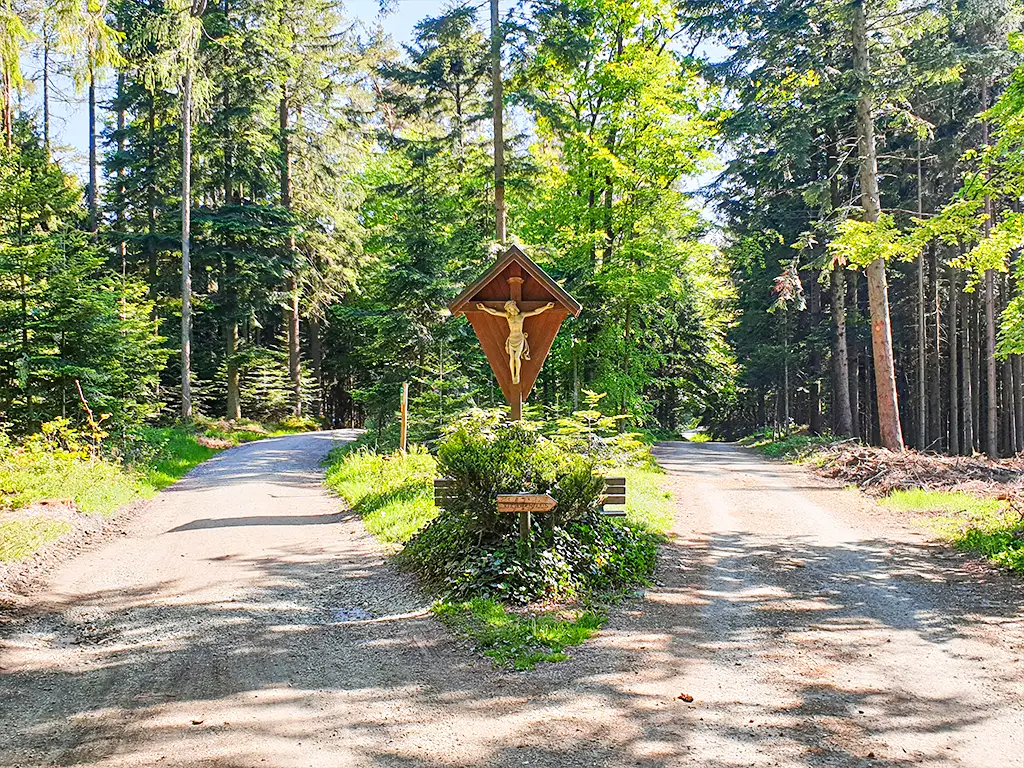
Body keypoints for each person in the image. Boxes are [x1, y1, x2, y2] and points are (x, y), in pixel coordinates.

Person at [476, 300, 555, 384]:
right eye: (509, 309)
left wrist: (546, 307)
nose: (510, 310)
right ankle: (513, 375)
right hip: (512, 338)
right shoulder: (508, 316)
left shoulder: (521, 315)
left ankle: (517, 375)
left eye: (511, 308)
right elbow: (495, 312)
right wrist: (484, 308)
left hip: (519, 338)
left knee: (516, 357)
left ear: (514, 307)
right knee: (512, 357)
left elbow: (535, 312)